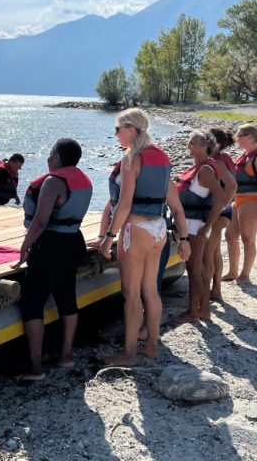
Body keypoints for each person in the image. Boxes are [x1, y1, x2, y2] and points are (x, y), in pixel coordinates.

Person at [97, 108, 190, 366]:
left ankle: (128, 354)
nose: (116, 134)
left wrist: (108, 236)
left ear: (132, 130)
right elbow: (176, 206)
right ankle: (151, 347)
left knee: (131, 294)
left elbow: (124, 203)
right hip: (158, 229)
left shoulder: (132, 159)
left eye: (118, 129)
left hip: (135, 230)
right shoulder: (162, 157)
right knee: (151, 291)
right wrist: (183, 240)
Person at [12, 139, 92, 380]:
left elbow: (40, 221)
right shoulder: (84, 180)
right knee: (67, 298)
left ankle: (36, 368)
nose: (48, 158)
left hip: (51, 246)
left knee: (32, 304)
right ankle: (66, 356)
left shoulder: (53, 182)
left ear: (57, 156)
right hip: (73, 243)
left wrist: (25, 247)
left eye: (50, 153)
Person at [174, 130, 226, 323]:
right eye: (189, 142)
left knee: (194, 268)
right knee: (197, 267)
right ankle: (203, 309)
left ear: (205, 147)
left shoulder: (205, 170)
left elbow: (221, 197)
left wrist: (207, 226)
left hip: (196, 225)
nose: (189, 146)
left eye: (193, 143)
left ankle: (193, 311)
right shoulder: (200, 168)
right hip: (192, 224)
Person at [205, 128, 237, 300]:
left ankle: (208, 291)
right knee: (215, 251)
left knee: (207, 252)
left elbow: (232, 186)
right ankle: (216, 290)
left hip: (220, 213)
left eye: (206, 140)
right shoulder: (222, 159)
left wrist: (221, 206)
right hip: (223, 212)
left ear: (216, 144)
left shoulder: (218, 162)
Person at [224, 123, 257, 284]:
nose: (237, 139)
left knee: (247, 238)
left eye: (239, 136)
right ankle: (233, 271)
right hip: (238, 201)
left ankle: (245, 275)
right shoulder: (245, 156)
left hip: (252, 201)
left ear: (250, 137)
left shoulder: (255, 157)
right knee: (230, 235)